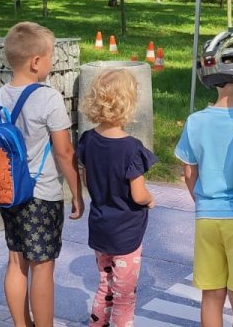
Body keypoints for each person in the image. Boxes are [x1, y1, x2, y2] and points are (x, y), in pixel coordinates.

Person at [0, 22, 83, 327]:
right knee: (43, 267)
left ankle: (22, 324)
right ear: (35, 62)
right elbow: (65, 152)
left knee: (16, 259)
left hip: (8, 192)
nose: (52, 62)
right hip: (42, 195)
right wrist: (77, 193)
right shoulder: (48, 98)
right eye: (50, 56)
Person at [175, 31, 233, 327]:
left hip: (206, 218)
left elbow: (189, 172)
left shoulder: (195, 121)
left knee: (212, 294)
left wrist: (203, 199)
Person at [77, 69, 158, 327]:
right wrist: (149, 199)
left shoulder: (88, 140)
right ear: (129, 104)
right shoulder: (132, 149)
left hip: (100, 227)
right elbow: (138, 192)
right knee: (125, 295)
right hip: (126, 232)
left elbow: (87, 179)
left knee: (105, 286)